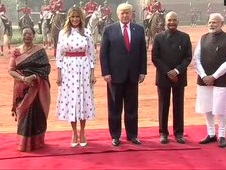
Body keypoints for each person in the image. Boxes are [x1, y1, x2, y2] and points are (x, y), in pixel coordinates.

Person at [100, 3, 147, 146]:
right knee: (114, 108)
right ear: (117, 14)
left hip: (133, 75)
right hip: (114, 76)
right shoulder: (109, 30)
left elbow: (142, 53)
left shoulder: (139, 29)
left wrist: (142, 71)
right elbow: (103, 54)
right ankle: (115, 136)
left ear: (132, 14)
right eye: (122, 13)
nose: (125, 15)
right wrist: (106, 72)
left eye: (128, 13)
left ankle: (132, 135)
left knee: (132, 107)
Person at [56, 7, 96, 147]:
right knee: (72, 100)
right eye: (72, 17)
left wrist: (92, 73)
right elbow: (59, 54)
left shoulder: (87, 33)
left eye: (77, 17)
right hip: (68, 69)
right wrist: (59, 73)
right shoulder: (63, 33)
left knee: (82, 99)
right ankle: (74, 132)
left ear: (81, 18)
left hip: (84, 68)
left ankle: (83, 131)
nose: (75, 19)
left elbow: (91, 54)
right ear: (69, 18)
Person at [151, 11, 192, 144]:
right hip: (163, 77)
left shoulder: (185, 37)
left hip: (179, 77)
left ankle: (179, 133)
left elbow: (188, 57)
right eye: (169, 20)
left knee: (178, 105)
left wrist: (176, 71)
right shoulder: (158, 37)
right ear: (165, 21)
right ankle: (163, 133)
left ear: (178, 21)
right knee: (163, 106)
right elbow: (155, 58)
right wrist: (168, 72)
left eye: (174, 20)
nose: (172, 23)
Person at [8, 26, 51, 152]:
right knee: (23, 115)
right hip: (21, 88)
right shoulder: (16, 51)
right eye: (25, 33)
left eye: (30, 33)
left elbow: (46, 68)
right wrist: (23, 78)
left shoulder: (40, 51)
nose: (27, 35)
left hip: (37, 88)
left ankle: (37, 143)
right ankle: (23, 144)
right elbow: (11, 70)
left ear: (34, 35)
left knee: (37, 113)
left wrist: (33, 76)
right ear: (22, 35)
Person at [194, 13, 226, 148]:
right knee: (207, 107)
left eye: (215, 22)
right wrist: (204, 76)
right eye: (210, 22)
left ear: (221, 24)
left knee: (221, 108)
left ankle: (222, 135)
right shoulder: (203, 38)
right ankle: (211, 133)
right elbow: (196, 58)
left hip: (222, 79)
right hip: (204, 79)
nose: (211, 24)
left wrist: (214, 76)